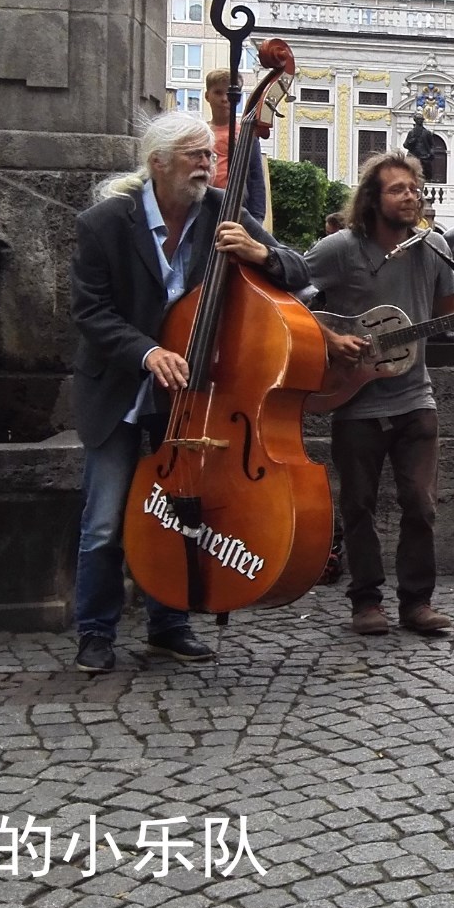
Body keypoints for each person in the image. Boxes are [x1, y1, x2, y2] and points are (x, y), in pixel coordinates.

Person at [68, 112, 311, 674]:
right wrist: (148, 352)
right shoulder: (104, 224)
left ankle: (168, 625)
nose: (207, 166)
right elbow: (90, 312)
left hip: (194, 397)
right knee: (105, 522)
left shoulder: (221, 212)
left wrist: (260, 255)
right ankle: (96, 631)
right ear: (158, 163)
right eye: (195, 156)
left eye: (209, 155)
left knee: (177, 514)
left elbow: (300, 272)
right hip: (124, 393)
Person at [303, 151, 454, 639]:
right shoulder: (339, 250)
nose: (410, 197)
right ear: (372, 199)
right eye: (397, 190)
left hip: (415, 398)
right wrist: (331, 339)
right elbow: (289, 297)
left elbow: (453, 316)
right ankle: (366, 602)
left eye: (414, 188)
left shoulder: (432, 248)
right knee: (359, 504)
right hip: (354, 397)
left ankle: (417, 603)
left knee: (420, 504)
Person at [203, 69, 270, 225]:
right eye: (218, 93)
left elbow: (256, 177)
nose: (224, 99)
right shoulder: (202, 133)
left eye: (229, 94)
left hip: (237, 207)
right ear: (207, 96)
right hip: (205, 205)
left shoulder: (246, 134)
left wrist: (257, 217)